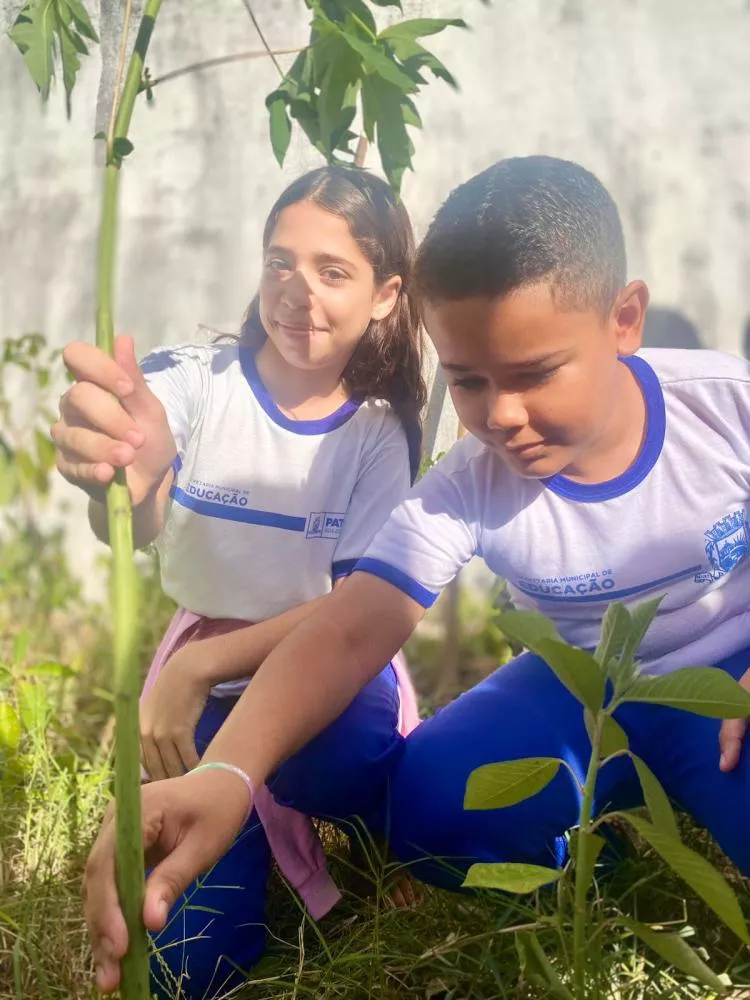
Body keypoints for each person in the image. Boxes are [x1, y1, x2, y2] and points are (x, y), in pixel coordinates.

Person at [84, 155, 750, 992]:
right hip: (581, 685)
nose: (501, 416)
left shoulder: (725, 406)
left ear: (623, 320)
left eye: (535, 374)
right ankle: (601, 859)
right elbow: (351, 627)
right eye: (468, 381)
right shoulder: (467, 486)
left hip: (728, 683)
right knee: (428, 812)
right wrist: (228, 772)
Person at [54, 165, 426, 998]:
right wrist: (123, 474)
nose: (298, 291)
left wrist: (196, 667)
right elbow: (138, 495)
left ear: (384, 295)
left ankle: (382, 826)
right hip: (208, 679)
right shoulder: (196, 380)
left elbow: (354, 611)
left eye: (333, 271)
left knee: (332, 762)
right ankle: (250, 836)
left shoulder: (378, 431)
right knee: (185, 965)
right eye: (280, 262)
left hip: (329, 663)